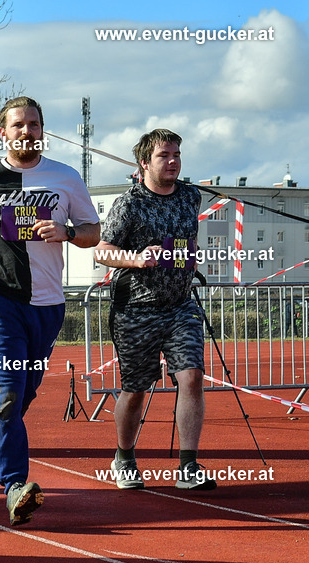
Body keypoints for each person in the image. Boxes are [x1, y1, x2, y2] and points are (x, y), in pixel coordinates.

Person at [0, 96, 101, 525]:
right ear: (3, 132)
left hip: (47, 306)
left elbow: (92, 231)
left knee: (23, 394)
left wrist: (67, 231)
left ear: (42, 130)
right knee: (8, 390)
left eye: (34, 124)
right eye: (18, 125)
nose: (26, 132)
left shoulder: (65, 178)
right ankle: (15, 486)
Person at [94, 128, 215, 491]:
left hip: (180, 306)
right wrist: (135, 258)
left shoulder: (191, 196)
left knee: (191, 377)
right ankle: (124, 457)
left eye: (177, 154)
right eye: (164, 155)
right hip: (136, 310)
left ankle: (188, 467)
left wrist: (189, 260)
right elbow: (102, 251)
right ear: (144, 163)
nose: (173, 161)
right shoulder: (128, 203)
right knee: (135, 389)